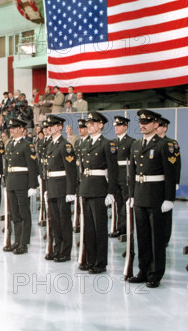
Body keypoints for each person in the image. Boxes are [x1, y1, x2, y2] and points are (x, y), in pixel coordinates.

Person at [127, 109, 176, 288]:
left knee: (156, 238)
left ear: (156, 124)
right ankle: (143, 270)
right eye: (141, 122)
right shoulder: (136, 145)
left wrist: (169, 198)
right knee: (143, 236)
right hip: (140, 195)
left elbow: (171, 173)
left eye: (147, 122)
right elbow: (131, 172)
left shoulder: (164, 145)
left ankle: (155, 273)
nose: (143, 125)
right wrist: (131, 195)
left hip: (156, 196)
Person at [78, 111, 118, 274]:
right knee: (87, 227)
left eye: (93, 123)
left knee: (99, 228)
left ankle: (100, 263)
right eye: (88, 123)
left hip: (100, 188)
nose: (89, 126)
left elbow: (113, 170)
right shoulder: (84, 143)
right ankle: (90, 259)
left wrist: (111, 192)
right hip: (86, 187)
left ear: (101, 125)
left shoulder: (107, 144)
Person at [44, 115, 77, 262]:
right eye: (48, 125)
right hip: (52, 186)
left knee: (64, 221)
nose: (49, 128)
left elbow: (71, 170)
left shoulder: (65, 145)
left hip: (62, 187)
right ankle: (57, 249)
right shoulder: (50, 144)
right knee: (55, 221)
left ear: (60, 127)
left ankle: (65, 251)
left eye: (52, 125)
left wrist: (71, 191)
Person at [4, 118, 39, 254]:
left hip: (23, 183)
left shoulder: (27, 145)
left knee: (24, 213)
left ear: (22, 129)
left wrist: (32, 185)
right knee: (15, 214)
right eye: (11, 128)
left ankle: (24, 243)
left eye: (14, 128)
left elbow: (32, 166)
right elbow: (7, 166)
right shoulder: (10, 145)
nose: (11, 130)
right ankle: (17, 241)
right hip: (12, 182)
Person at [156, 117, 181, 247]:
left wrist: (175, 181)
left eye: (159, 125)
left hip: (167, 182)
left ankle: (165, 238)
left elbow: (176, 164)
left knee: (166, 212)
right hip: (154, 185)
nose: (156, 128)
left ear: (164, 127)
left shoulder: (171, 143)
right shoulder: (152, 143)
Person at [112, 116, 135, 239]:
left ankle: (127, 230)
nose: (116, 127)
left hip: (126, 176)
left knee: (127, 204)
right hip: (116, 176)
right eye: (115, 125)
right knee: (119, 204)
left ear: (125, 127)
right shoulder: (113, 142)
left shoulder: (131, 142)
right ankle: (120, 229)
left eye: (119, 125)